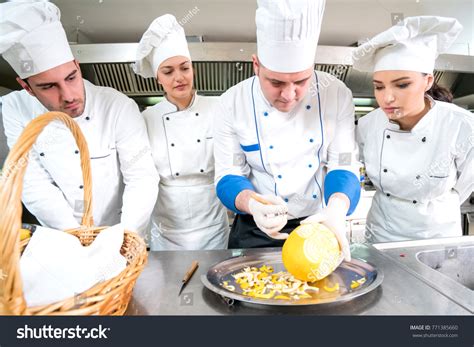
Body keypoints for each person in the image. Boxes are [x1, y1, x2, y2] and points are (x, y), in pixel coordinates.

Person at [213, 0, 361, 260]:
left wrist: (337, 207)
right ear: (256, 66)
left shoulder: (335, 94)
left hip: (317, 223)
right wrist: (252, 203)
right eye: (276, 82)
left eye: (301, 81)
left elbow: (343, 163)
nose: (289, 95)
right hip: (256, 226)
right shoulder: (232, 102)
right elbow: (229, 173)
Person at [0, 1, 158, 235]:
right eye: (48, 86)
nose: (68, 96)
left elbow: (141, 177)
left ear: (76, 65)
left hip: (117, 230)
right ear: (27, 87)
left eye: (71, 77)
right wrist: (75, 236)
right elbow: (32, 182)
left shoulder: (117, 106)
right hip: (61, 234)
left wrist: (123, 237)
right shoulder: (14, 108)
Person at [354, 16, 473, 243]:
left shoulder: (460, 125)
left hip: (436, 236)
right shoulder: (368, 125)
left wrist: (437, 207)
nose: (387, 98)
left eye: (402, 84)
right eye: (378, 86)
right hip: (381, 233)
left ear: (428, 81)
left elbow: (466, 184)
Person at [133, 14, 229, 250]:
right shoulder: (146, 119)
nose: (179, 77)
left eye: (184, 68)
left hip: (213, 227)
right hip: (166, 231)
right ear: (158, 78)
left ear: (193, 69)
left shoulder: (219, 108)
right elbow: (140, 177)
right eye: (168, 71)